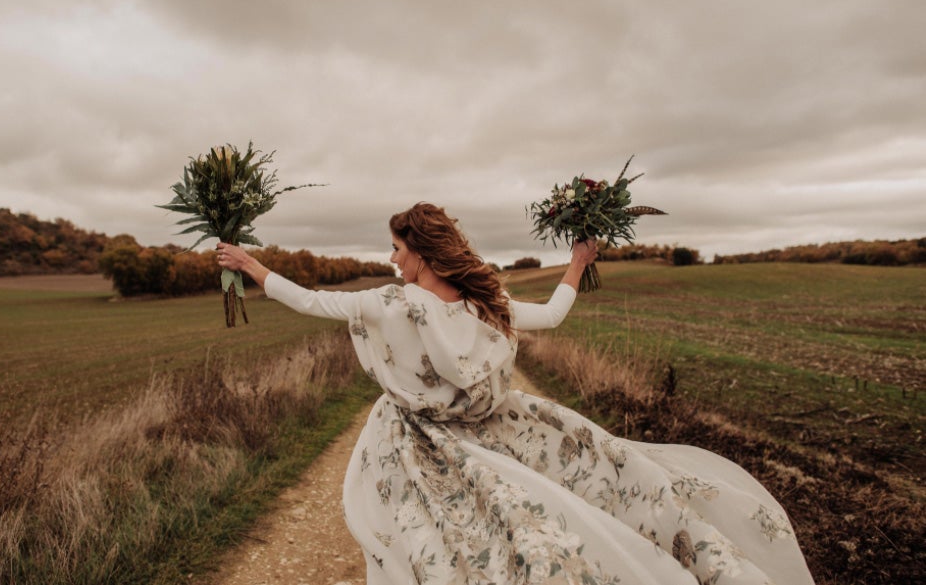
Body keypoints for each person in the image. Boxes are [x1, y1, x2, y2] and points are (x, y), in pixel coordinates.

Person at [216, 202, 815, 585]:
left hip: (418, 442)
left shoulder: (388, 303)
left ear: (421, 255)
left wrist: (250, 264)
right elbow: (554, 314)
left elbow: (312, 302)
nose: (391, 257)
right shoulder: (487, 306)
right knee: (585, 486)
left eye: (397, 248)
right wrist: (578, 261)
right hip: (497, 427)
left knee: (434, 538)